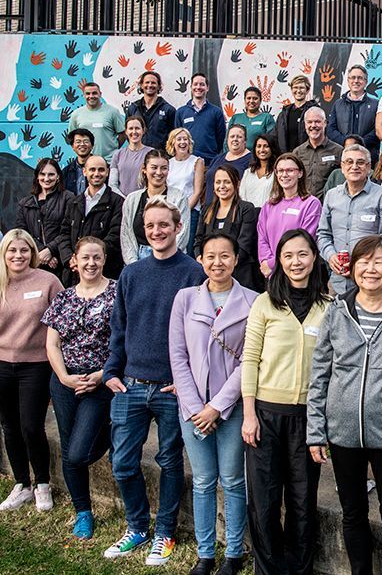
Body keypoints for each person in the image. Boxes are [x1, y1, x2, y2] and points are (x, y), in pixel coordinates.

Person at [307, 236, 382, 575]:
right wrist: (316, 430)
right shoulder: (338, 310)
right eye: (363, 261)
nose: (370, 269)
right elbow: (320, 374)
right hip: (343, 432)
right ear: (353, 267)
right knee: (352, 512)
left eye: (379, 262)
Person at [102, 197, 206, 565]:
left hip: (171, 387)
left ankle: (165, 531)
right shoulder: (131, 273)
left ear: (178, 227)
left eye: (164, 224)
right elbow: (119, 328)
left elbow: (200, 334)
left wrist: (188, 380)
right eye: (150, 226)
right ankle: (136, 526)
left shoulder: (194, 273)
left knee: (169, 461)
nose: (157, 231)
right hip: (130, 384)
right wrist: (111, 371)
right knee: (123, 463)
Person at [242, 228, 331, 575]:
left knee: (302, 501)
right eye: (288, 255)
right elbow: (249, 359)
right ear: (279, 260)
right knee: (264, 501)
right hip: (265, 414)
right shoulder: (264, 303)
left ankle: (299, 569)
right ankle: (267, 569)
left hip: (307, 419)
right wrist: (249, 414)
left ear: (313, 258)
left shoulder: (328, 308)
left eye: (303, 254)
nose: (296, 262)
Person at [169, 232, 258, 575]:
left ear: (236, 259)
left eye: (225, 256)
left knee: (233, 480)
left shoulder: (252, 301)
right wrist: (194, 408)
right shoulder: (185, 299)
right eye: (210, 256)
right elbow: (178, 356)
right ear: (201, 260)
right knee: (204, 481)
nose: (217, 262)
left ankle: (234, 553)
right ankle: (205, 554)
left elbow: (249, 360)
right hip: (192, 409)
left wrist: (217, 407)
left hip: (231, 408)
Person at [0, 229, 63, 512]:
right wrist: (6, 347)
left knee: (31, 425)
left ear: (33, 253)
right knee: (9, 425)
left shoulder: (48, 281)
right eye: (12, 251)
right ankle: (21, 483)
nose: (18, 256)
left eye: (24, 250)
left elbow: (61, 320)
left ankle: (42, 483)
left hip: (36, 365)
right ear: (4, 254)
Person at [42, 237, 117, 539]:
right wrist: (62, 377)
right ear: (74, 260)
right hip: (64, 382)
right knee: (68, 445)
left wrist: (101, 374)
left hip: (99, 382)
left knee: (76, 453)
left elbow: (122, 342)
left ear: (104, 260)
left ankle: (113, 433)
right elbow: (52, 342)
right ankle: (83, 511)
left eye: (97, 258)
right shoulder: (63, 297)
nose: (91, 263)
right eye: (85, 257)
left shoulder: (116, 293)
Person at [316, 144, 382, 295]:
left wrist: (362, 263)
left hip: (369, 280)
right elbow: (323, 234)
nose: (354, 167)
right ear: (342, 166)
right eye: (349, 162)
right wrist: (331, 256)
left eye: (360, 162)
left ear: (368, 167)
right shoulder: (332, 196)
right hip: (337, 281)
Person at [256, 153, 323, 280]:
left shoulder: (311, 204)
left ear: (300, 173)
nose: (284, 174)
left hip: (297, 271)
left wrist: (272, 263)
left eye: (290, 170)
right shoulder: (269, 205)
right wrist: (265, 262)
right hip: (273, 275)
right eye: (280, 171)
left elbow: (305, 240)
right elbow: (262, 238)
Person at [195, 165, 258, 291]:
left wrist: (223, 267)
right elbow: (198, 240)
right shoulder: (207, 209)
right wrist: (203, 261)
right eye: (218, 182)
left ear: (237, 184)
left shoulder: (246, 209)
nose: (222, 186)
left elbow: (244, 246)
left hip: (239, 275)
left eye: (227, 182)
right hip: (210, 274)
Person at [121, 150, 191, 264]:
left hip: (171, 261)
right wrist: (134, 265)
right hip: (137, 261)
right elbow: (126, 236)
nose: (159, 172)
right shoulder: (132, 200)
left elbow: (182, 234)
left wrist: (162, 260)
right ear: (144, 169)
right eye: (154, 167)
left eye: (164, 168)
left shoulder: (179, 197)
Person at [66, 155, 125, 285]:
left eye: (101, 170)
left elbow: (115, 236)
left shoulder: (118, 202)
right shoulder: (73, 202)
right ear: (84, 172)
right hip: (74, 274)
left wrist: (91, 259)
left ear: (107, 172)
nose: (96, 174)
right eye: (92, 169)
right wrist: (72, 259)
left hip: (106, 273)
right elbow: (64, 233)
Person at [14, 157, 77, 278]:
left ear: (58, 176)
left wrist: (50, 250)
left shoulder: (69, 198)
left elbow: (68, 230)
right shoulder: (25, 203)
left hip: (61, 263)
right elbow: (21, 233)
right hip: (34, 262)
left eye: (51, 174)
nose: (46, 178)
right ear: (37, 177)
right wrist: (42, 253)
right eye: (42, 174)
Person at [327, 64, 380, 160]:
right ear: (348, 81)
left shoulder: (376, 104)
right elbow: (331, 129)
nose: (356, 81)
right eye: (353, 78)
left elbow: (378, 129)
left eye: (360, 78)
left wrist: (359, 143)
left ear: (365, 82)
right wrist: (346, 143)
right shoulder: (338, 104)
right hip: (342, 155)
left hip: (369, 156)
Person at [167, 127, 207, 246]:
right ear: (173, 142)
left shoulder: (197, 162)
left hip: (190, 212)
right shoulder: (168, 163)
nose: (182, 142)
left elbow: (197, 191)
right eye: (179, 139)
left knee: (186, 248)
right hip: (169, 212)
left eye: (185, 139)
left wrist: (182, 212)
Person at [175, 73, 227, 164]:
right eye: (195, 84)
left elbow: (221, 137)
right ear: (191, 87)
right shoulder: (181, 112)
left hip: (210, 161)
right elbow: (176, 137)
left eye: (202, 84)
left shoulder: (216, 112)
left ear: (207, 88)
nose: (198, 87)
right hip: (186, 161)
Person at [293, 106, 344, 199]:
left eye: (317, 121)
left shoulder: (338, 151)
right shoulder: (297, 153)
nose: (313, 125)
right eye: (309, 122)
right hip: (304, 206)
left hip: (329, 205)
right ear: (305, 125)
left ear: (325, 123)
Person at [68, 81, 125, 158]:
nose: (91, 96)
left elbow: (123, 134)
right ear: (84, 95)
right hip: (86, 162)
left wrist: (113, 149)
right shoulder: (76, 114)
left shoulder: (113, 112)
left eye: (94, 93)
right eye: (88, 93)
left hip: (109, 161)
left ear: (100, 94)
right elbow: (72, 137)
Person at [126, 70, 176, 151]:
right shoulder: (133, 108)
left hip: (159, 156)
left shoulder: (169, 110)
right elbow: (128, 133)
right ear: (141, 85)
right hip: (137, 155)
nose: (149, 85)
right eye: (147, 82)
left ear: (159, 86)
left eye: (153, 83)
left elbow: (173, 136)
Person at [203, 124, 253, 205]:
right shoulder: (217, 158)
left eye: (239, 137)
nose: (235, 139)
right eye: (232, 136)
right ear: (227, 140)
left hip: (233, 210)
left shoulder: (251, 160)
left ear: (245, 141)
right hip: (209, 209)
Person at [110, 114, 154, 196]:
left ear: (143, 130)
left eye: (137, 128)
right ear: (126, 131)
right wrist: (125, 200)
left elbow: (153, 182)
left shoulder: (151, 153)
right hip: (121, 203)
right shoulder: (118, 154)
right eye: (130, 128)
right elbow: (112, 185)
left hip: (144, 202)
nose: (134, 132)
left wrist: (138, 199)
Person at [276, 74, 318, 153]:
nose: (298, 91)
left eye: (301, 88)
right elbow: (275, 136)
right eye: (295, 87)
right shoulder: (284, 114)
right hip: (287, 157)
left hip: (307, 157)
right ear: (291, 90)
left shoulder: (314, 111)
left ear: (307, 90)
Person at [240, 133, 279, 208]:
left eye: (266, 146)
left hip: (269, 215)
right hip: (248, 215)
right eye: (259, 146)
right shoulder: (248, 172)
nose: (262, 150)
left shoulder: (278, 172)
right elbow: (241, 196)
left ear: (272, 148)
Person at [62, 128, 97, 195]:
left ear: (92, 146)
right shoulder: (66, 172)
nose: (82, 144)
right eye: (78, 142)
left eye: (86, 141)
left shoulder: (101, 169)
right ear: (73, 146)